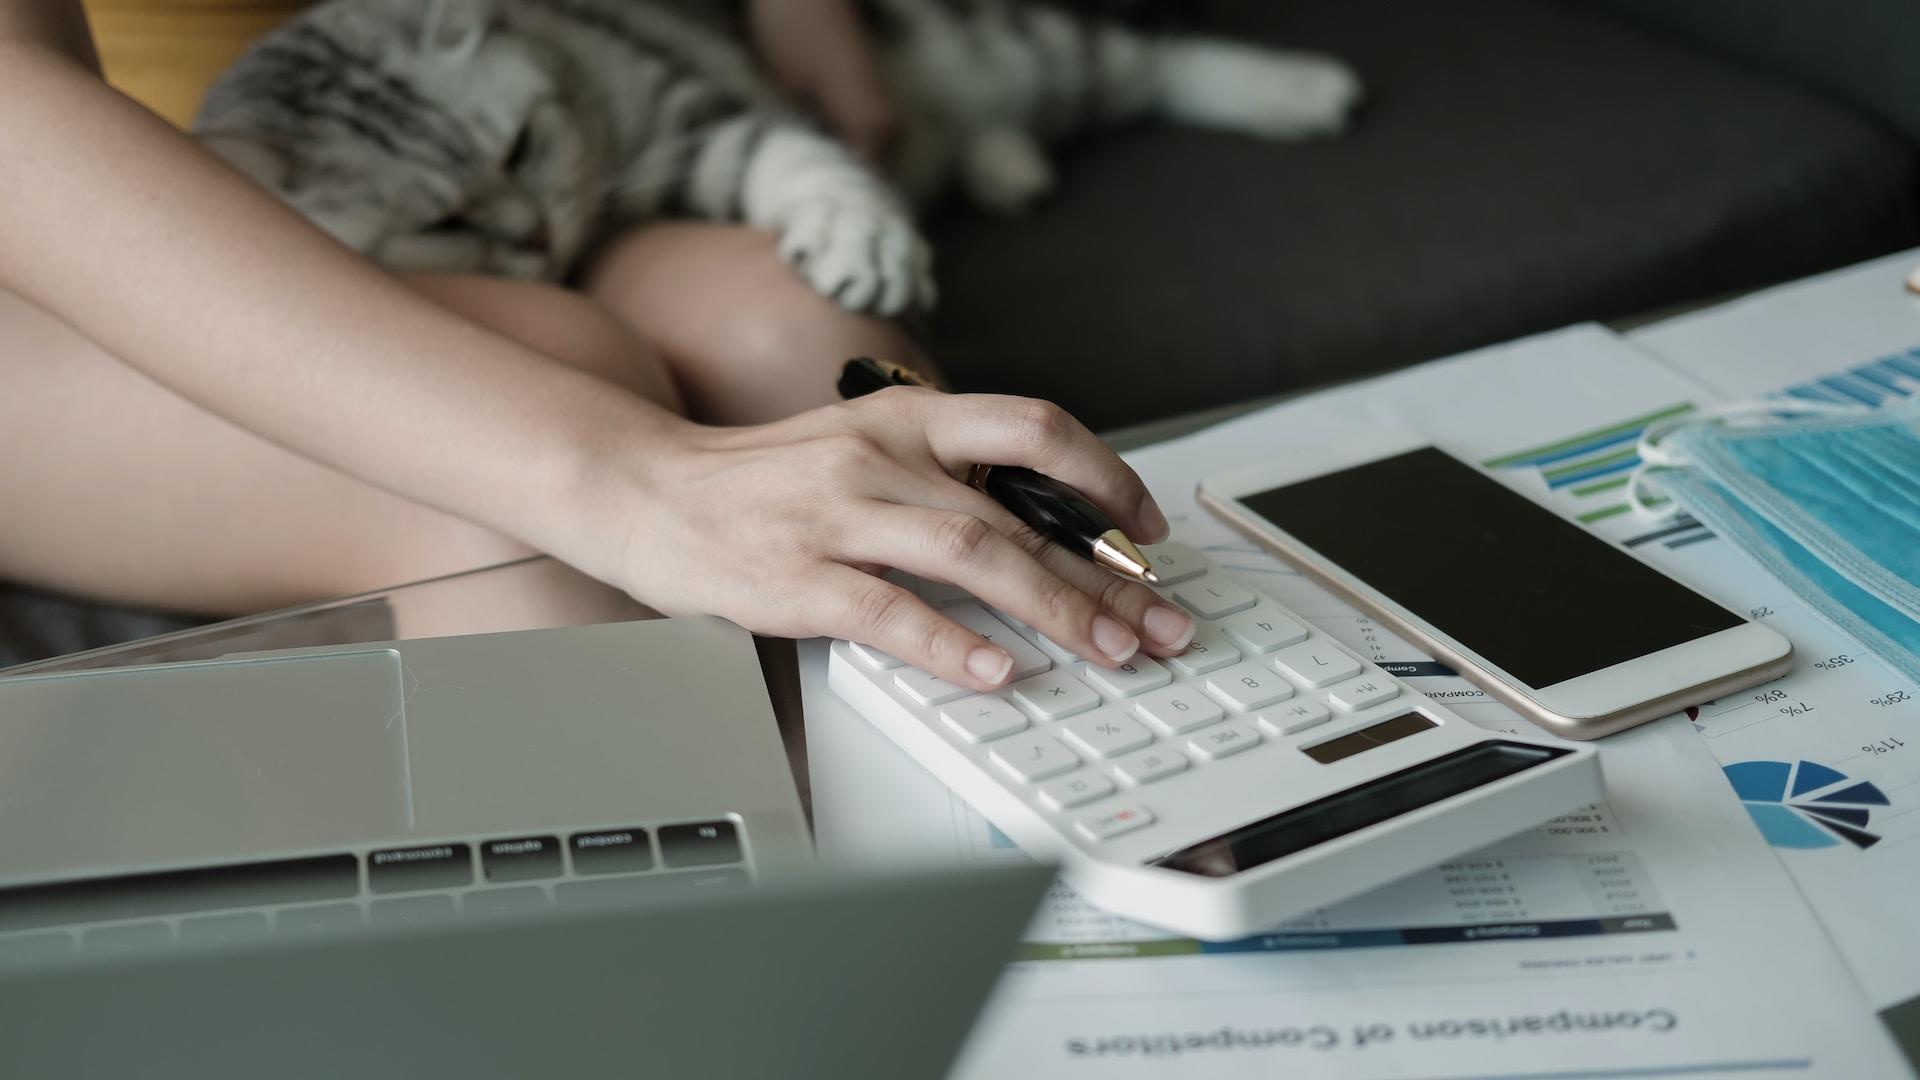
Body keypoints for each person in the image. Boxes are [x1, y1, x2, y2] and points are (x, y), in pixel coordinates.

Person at [0, 0, 1197, 691]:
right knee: (501, 481)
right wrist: (623, 476)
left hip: (483, 134)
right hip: (78, 226)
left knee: (796, 328)